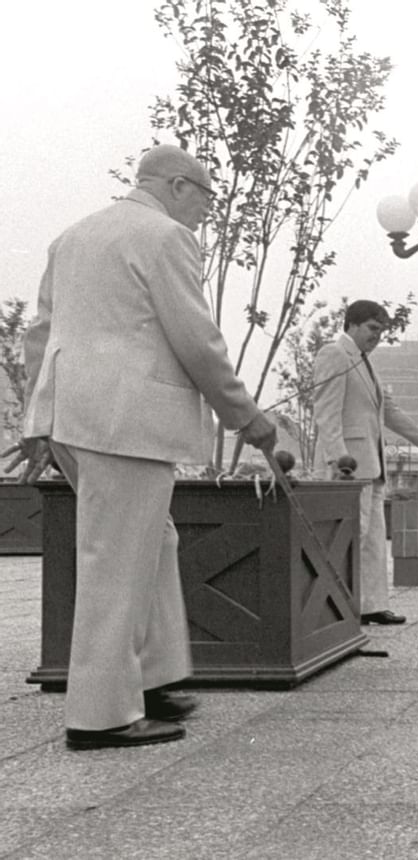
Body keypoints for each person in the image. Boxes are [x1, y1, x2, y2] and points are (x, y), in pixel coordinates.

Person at [3, 144, 277, 750]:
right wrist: (245, 415)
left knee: (153, 543)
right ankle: (99, 717)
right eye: (207, 197)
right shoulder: (166, 237)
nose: (207, 211)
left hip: (79, 418)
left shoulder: (73, 237)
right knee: (118, 562)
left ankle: (152, 681)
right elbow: (196, 339)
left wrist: (37, 420)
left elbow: (41, 334)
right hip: (126, 423)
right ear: (179, 186)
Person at [313, 300, 418, 625]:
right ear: (353, 325)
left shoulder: (365, 363)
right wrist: (337, 458)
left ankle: (371, 605)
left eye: (381, 331)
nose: (377, 337)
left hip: (371, 466)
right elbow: (326, 412)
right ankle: (339, 609)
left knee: (374, 538)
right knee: (351, 537)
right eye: (373, 329)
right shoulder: (335, 355)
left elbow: (388, 411)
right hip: (348, 467)